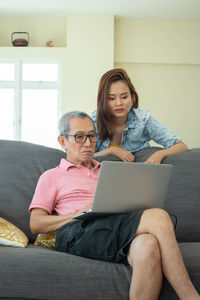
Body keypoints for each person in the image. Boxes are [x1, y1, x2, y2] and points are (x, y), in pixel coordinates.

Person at [29, 111, 199, 300]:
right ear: (62, 141)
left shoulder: (109, 171)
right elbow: (36, 224)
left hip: (113, 225)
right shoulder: (51, 176)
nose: (87, 143)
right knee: (158, 216)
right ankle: (190, 296)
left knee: (148, 246)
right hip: (77, 231)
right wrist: (80, 212)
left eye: (91, 136)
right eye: (79, 137)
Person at [90, 68, 188, 163]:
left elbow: (181, 146)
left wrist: (160, 154)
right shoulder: (92, 122)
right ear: (103, 101)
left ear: (132, 98)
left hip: (139, 174)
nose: (119, 103)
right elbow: (79, 158)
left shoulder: (143, 119)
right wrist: (111, 151)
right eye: (111, 98)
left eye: (124, 97)